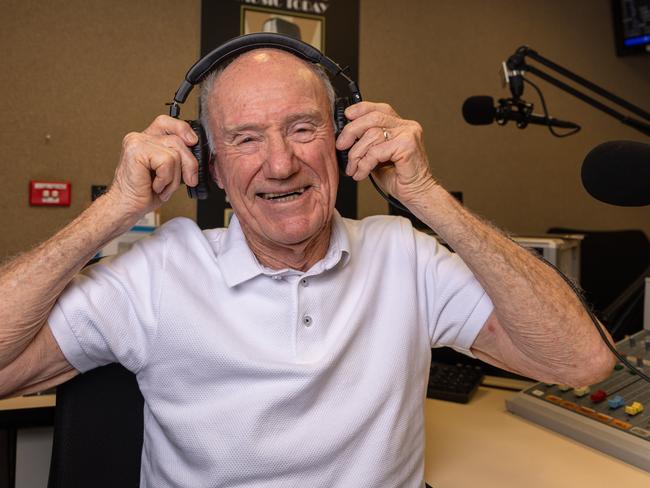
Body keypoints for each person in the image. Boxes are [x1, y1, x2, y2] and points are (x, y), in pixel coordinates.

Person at [0, 47, 614, 487]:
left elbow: (580, 361)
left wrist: (424, 193)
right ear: (211, 169)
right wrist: (115, 208)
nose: (280, 163)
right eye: (245, 139)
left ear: (343, 140)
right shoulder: (158, 270)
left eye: (303, 128)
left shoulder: (404, 254)